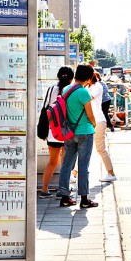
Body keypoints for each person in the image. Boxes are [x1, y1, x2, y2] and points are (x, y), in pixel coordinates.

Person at [55, 63, 98, 208]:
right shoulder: (83, 92)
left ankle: (64, 197)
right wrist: (94, 124)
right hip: (84, 132)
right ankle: (84, 200)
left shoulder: (66, 89)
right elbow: (90, 115)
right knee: (83, 165)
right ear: (88, 77)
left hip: (69, 132)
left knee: (67, 164)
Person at [39, 66, 74, 199]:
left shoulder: (51, 89)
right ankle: (63, 190)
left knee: (52, 162)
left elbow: (45, 108)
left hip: (53, 131)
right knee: (66, 162)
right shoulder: (71, 90)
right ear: (71, 78)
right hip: (67, 132)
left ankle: (44, 190)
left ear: (58, 76)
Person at [88, 72, 117, 182]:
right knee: (82, 148)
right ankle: (75, 173)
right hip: (89, 121)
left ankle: (111, 173)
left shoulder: (97, 86)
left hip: (98, 121)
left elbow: (88, 98)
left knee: (101, 149)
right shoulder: (88, 86)